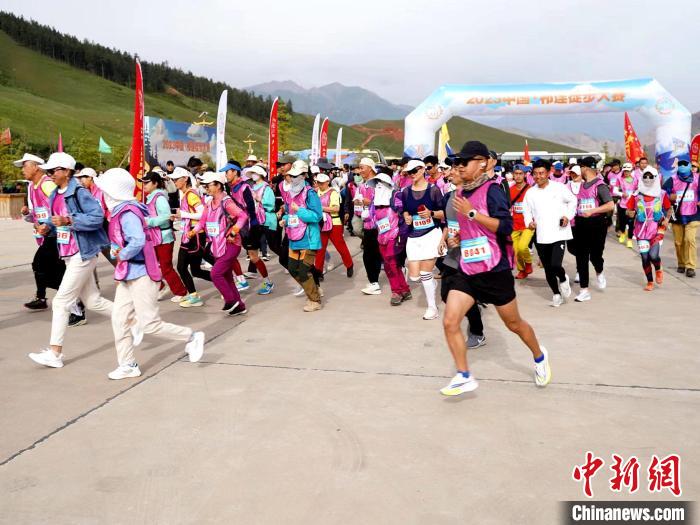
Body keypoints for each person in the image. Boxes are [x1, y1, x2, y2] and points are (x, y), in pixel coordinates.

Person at [440, 141, 551, 395]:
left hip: (494, 269)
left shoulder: (492, 190)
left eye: (464, 162)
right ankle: (464, 375)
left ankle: (539, 355)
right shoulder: (461, 193)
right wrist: (458, 238)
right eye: (457, 163)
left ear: (481, 163)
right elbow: (471, 230)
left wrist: (472, 214)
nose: (459, 167)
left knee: (514, 324)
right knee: (450, 321)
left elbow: (505, 227)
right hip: (468, 268)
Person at [94, 168, 205, 379]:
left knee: (150, 324)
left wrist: (122, 254)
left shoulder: (128, 213)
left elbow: (137, 240)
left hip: (142, 273)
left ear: (113, 193)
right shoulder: (122, 210)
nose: (102, 195)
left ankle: (191, 337)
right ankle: (128, 364)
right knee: (119, 319)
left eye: (105, 191)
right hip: (129, 273)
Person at [27, 153, 116, 369]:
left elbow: (97, 217)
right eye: (48, 171)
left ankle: (55, 353)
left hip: (82, 253)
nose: (50, 174)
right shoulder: (54, 194)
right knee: (93, 302)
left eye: (53, 170)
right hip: (68, 253)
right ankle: (135, 320)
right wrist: (47, 227)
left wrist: (69, 220)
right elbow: (53, 218)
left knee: (60, 302)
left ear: (67, 171)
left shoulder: (79, 192)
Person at [188, 172, 249, 315]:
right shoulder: (209, 203)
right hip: (217, 244)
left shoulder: (226, 202)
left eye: (208, 185)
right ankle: (239, 306)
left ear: (218, 185)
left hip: (230, 244)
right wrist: (193, 231)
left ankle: (230, 301)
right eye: (204, 186)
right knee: (227, 277)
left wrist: (234, 231)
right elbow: (202, 221)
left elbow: (243, 216)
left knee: (215, 274)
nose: (206, 188)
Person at [522, 158, 577, 307]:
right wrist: (529, 222)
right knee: (547, 267)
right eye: (535, 173)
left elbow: (573, 201)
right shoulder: (530, 193)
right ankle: (556, 294)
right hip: (541, 235)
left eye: (541, 173)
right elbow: (526, 211)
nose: (538, 176)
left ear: (548, 173)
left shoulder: (559, 188)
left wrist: (567, 216)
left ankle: (563, 278)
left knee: (555, 264)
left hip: (559, 232)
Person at [16, 153, 65, 311]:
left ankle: (69, 297)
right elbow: (37, 213)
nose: (22, 170)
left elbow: (61, 206)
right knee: (52, 267)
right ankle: (46, 297)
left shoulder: (47, 184)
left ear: (36, 167)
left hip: (57, 234)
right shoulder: (32, 187)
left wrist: (49, 225)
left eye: (25, 166)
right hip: (46, 234)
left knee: (40, 264)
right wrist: (27, 214)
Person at [399, 159, 445, 320]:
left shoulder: (434, 190)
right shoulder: (405, 191)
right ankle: (431, 283)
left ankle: (432, 308)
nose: (412, 174)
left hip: (431, 234)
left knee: (425, 273)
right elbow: (405, 210)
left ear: (422, 170)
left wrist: (431, 213)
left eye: (414, 171)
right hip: (414, 236)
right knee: (414, 276)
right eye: (409, 172)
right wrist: (407, 217)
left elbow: (443, 213)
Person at [280, 160, 323, 312]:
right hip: (294, 238)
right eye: (291, 175)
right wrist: (285, 220)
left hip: (309, 239)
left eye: (296, 175)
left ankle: (315, 300)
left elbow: (317, 216)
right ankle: (313, 289)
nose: (293, 178)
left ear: (304, 175)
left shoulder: (310, 193)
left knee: (304, 271)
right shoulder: (290, 193)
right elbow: (289, 213)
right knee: (292, 269)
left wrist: (300, 210)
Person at [168, 167, 213, 307]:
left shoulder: (191, 195)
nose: (174, 181)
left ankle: (224, 280)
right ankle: (194, 295)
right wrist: (178, 217)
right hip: (188, 234)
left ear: (185, 179)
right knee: (189, 268)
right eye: (173, 179)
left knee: (189, 268)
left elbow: (202, 214)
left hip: (196, 235)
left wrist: (183, 215)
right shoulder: (185, 194)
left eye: (176, 179)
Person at [571, 156, 614, 302]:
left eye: (581, 167)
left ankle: (599, 271)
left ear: (585, 168)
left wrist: (593, 210)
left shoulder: (600, 185)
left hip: (596, 224)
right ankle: (584, 290)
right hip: (581, 223)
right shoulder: (581, 185)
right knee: (581, 256)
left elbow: (610, 205)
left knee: (595, 256)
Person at [140, 171, 189, 302]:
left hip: (164, 237)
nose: (144, 185)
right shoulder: (150, 197)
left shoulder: (160, 198)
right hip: (154, 237)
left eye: (147, 182)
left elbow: (166, 217)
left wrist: (148, 221)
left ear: (155, 183)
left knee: (166, 267)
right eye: (143, 182)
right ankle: (161, 287)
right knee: (150, 265)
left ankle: (181, 292)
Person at [367, 172, 410, 305]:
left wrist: (401, 234)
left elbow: (404, 214)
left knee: (391, 263)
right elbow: (372, 216)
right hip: (382, 235)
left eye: (381, 183)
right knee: (390, 264)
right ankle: (404, 289)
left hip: (395, 234)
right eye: (376, 184)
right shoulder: (375, 199)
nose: (378, 186)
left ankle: (396, 291)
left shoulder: (396, 196)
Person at [626, 167, 671, 290]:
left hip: (656, 228)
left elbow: (669, 208)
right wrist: (630, 213)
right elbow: (628, 210)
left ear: (655, 178)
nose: (647, 179)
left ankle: (658, 268)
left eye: (650, 176)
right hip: (641, 230)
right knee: (645, 257)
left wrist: (667, 219)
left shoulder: (661, 194)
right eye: (645, 176)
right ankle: (650, 281)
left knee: (653, 256)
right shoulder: (636, 195)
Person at [314, 171, 354, 278]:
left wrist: (321, 208)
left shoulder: (333, 192)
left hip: (334, 223)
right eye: (318, 182)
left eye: (322, 182)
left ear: (328, 182)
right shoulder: (315, 192)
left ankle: (349, 264)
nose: (320, 184)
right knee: (320, 249)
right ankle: (318, 271)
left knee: (340, 246)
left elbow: (336, 208)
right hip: (320, 223)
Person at [664, 158, 700, 278]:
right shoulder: (672, 179)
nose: (683, 168)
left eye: (685, 165)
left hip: (694, 214)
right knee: (678, 242)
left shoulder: (697, 178)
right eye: (681, 166)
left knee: (689, 240)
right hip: (677, 214)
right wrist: (670, 196)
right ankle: (681, 263)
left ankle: (690, 267)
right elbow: (663, 193)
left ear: (689, 167)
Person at [356, 158, 383, 295]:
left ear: (370, 168)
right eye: (359, 168)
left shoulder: (380, 184)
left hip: (379, 224)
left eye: (362, 168)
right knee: (369, 254)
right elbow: (358, 206)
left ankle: (375, 282)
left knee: (375, 254)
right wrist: (359, 204)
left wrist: (370, 203)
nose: (360, 170)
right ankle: (373, 282)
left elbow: (385, 202)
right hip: (367, 224)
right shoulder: (361, 186)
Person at [509, 165, 533, 279]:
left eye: (520, 174)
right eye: (516, 174)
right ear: (513, 175)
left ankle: (528, 263)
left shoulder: (531, 190)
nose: (518, 176)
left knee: (523, 247)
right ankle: (522, 270)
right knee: (515, 250)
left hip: (528, 225)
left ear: (524, 175)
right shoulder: (510, 190)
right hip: (514, 225)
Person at [611, 162, 638, 248]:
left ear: (631, 171)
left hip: (632, 205)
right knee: (622, 222)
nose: (626, 173)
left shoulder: (635, 179)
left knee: (631, 223)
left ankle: (629, 240)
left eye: (628, 171)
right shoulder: (619, 178)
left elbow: (638, 190)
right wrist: (622, 194)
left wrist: (634, 194)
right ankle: (623, 233)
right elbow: (615, 191)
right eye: (625, 171)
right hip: (622, 204)